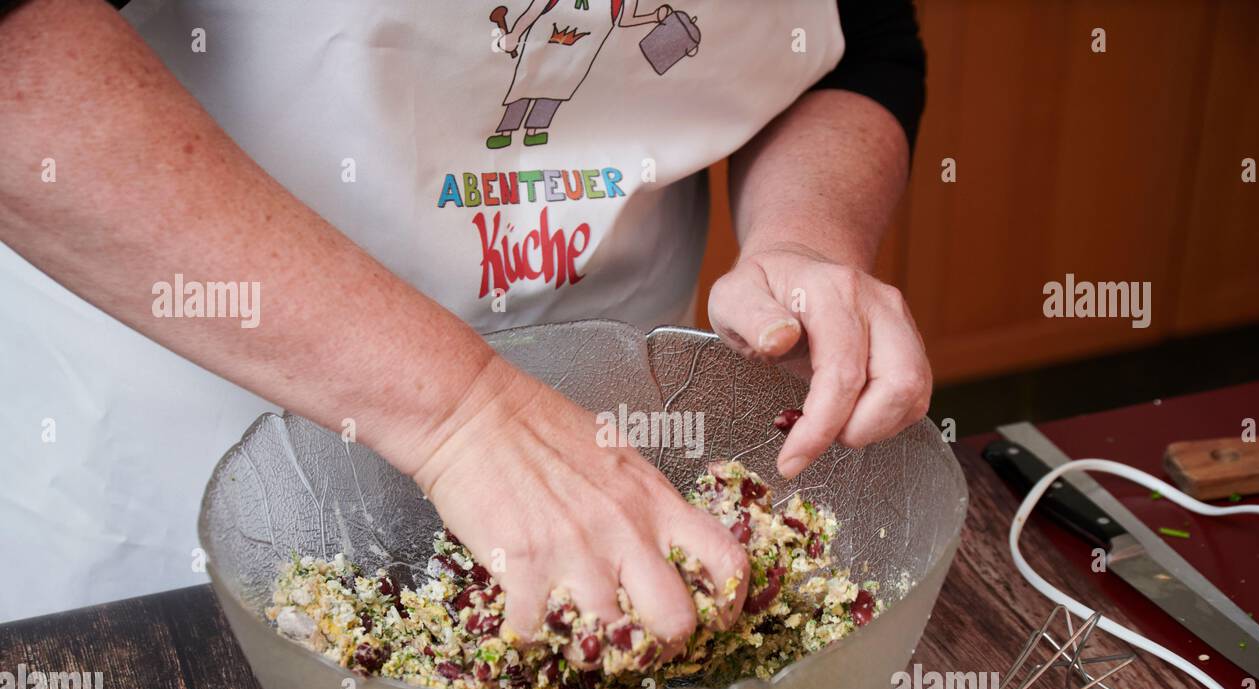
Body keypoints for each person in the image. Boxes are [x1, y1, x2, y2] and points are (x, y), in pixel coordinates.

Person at [0, 0, 930, 648]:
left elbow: (852, 39)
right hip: (194, 421)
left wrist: (807, 235)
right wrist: (463, 413)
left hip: (613, 424)